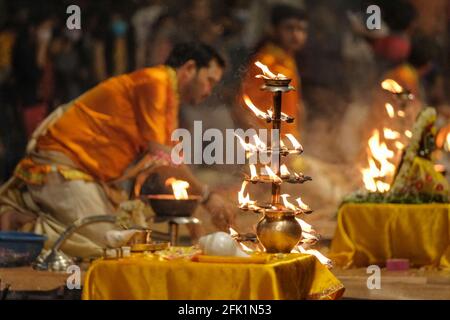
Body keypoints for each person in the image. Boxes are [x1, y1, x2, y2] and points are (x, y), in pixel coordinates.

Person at [0, 42, 235, 257]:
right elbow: (164, 160)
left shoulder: (168, 95)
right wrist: (207, 197)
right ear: (190, 68)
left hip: (92, 177)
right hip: (63, 164)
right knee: (108, 243)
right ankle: (21, 223)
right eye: (210, 80)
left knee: (129, 236)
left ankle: (38, 214)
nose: (209, 90)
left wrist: (195, 227)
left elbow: (169, 168)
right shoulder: (155, 81)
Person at [232, 4, 308, 138]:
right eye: (289, 28)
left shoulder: (288, 60)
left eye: (301, 29)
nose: (296, 35)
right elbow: (241, 109)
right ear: (273, 29)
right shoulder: (266, 63)